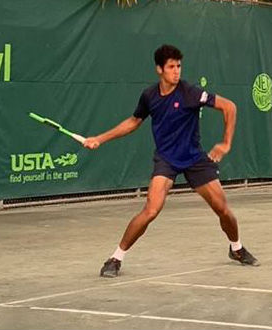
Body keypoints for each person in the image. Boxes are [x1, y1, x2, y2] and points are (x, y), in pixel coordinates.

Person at [83, 44, 259, 277]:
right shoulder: (149, 96)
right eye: (171, 67)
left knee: (223, 210)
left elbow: (229, 107)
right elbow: (134, 121)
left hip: (195, 158)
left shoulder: (189, 92)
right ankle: (115, 258)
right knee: (151, 210)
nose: (177, 71)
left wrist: (225, 143)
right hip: (166, 159)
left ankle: (236, 248)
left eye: (179, 66)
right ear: (159, 69)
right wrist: (100, 138)